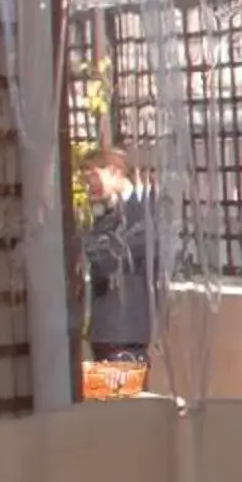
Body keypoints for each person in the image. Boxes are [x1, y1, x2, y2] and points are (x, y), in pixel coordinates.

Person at [78, 147, 158, 362]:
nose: (88, 187)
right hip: (104, 330)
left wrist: (86, 243)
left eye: (92, 178)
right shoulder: (107, 212)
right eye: (85, 181)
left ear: (114, 172)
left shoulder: (141, 212)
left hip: (126, 330)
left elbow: (112, 259)